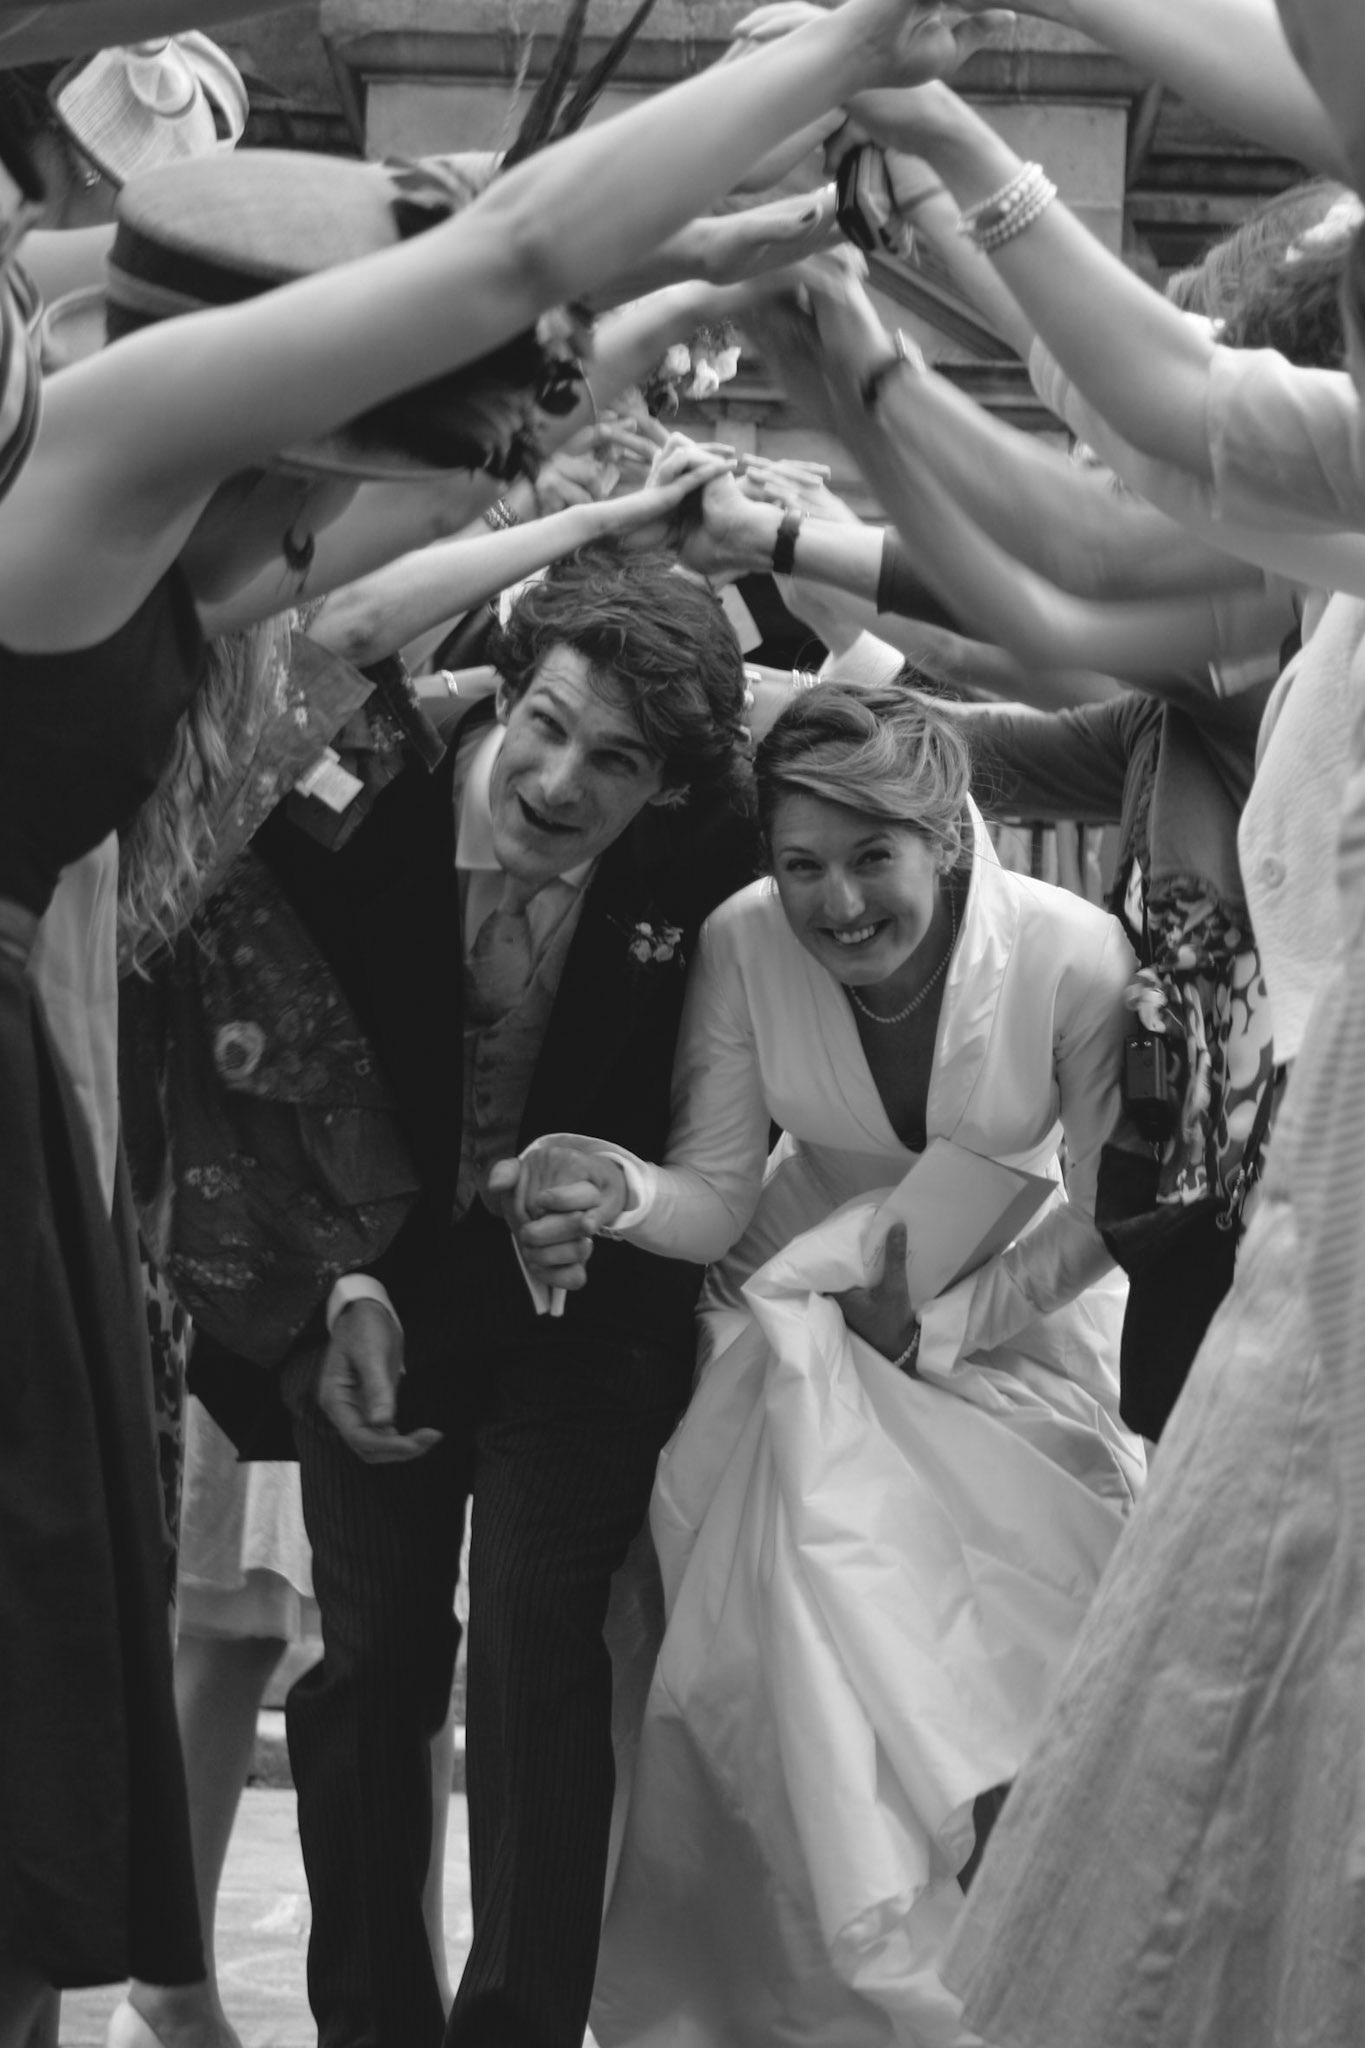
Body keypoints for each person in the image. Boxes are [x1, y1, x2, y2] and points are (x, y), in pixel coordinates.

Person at [0, 7, 1000, 2039]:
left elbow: (460, 479)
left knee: (94, 1720)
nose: (322, 547)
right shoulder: (100, 470)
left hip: (226, 1205)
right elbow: (503, 276)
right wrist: (837, 66)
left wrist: (697, 290)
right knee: (247, 1667)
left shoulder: (176, 550)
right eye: (326, 480)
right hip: (189, 1195)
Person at [504, 682, 1145, 2041]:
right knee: (796, 1620)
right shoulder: (744, 941)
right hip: (794, 1308)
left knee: (1028, 1651)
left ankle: (1019, 1992)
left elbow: (1105, 1213)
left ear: (947, 841)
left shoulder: (1073, 955)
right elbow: (717, 1192)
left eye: (871, 858)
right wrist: (619, 1188)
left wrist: (939, 1327)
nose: (836, 904)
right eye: (801, 865)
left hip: (1014, 1309)